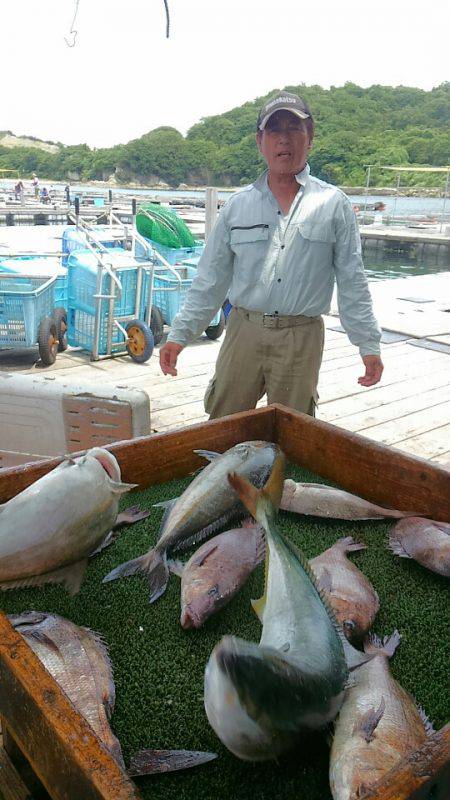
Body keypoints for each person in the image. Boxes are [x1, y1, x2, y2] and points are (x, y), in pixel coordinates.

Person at [159, 92, 383, 419]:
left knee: (293, 434)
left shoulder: (334, 204)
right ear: (260, 141)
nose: (284, 140)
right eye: (275, 131)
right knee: (223, 424)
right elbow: (210, 280)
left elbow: (353, 281)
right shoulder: (237, 206)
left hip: (301, 336)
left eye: (294, 129)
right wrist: (179, 335)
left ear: (310, 136)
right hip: (243, 330)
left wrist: (369, 345)